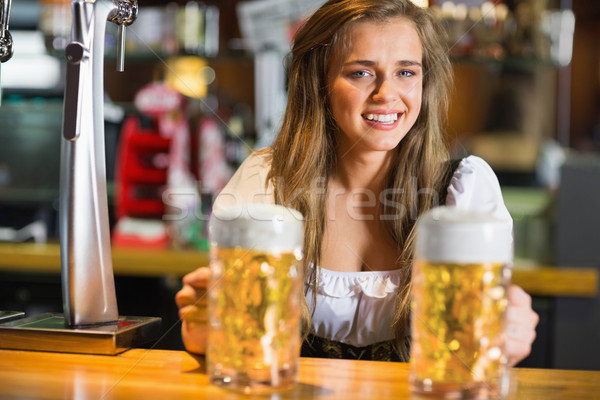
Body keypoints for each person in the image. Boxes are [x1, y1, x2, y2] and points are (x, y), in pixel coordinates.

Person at [176, 0, 538, 364]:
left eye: (406, 73)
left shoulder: (464, 189)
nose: (386, 93)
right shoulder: (266, 181)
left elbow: (481, 343)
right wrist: (205, 329)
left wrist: (503, 335)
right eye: (361, 73)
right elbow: (227, 332)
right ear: (319, 82)